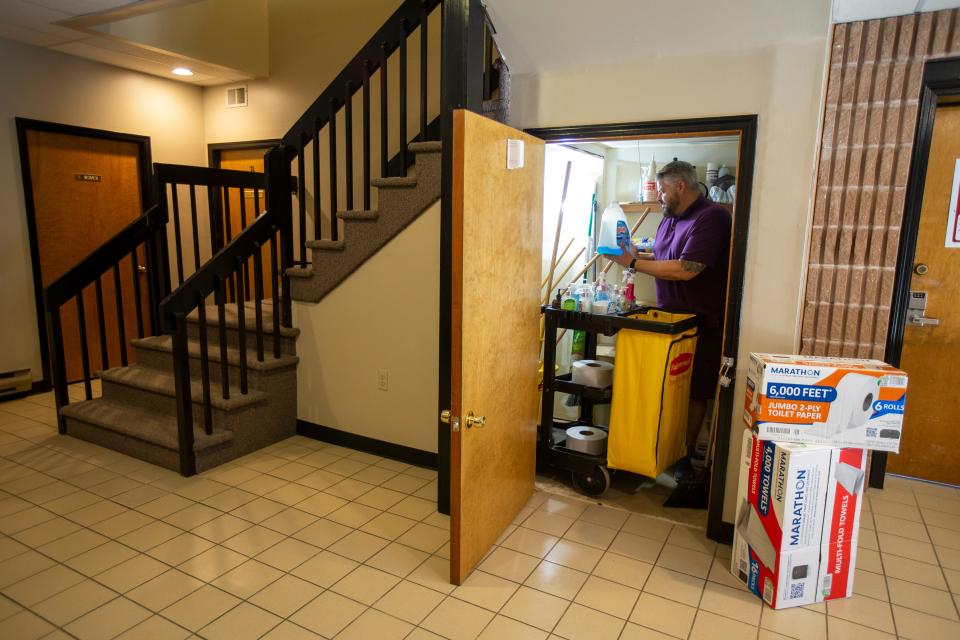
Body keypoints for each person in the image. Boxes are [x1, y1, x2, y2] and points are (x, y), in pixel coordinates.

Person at [610, 160, 732, 480]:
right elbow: (663, 259)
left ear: (681, 186)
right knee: (668, 389)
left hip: (701, 323)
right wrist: (627, 250)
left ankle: (684, 455)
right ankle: (658, 450)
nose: (660, 196)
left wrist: (634, 262)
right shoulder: (669, 219)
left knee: (693, 392)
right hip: (669, 320)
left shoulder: (712, 217)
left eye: (663, 190)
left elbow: (686, 269)